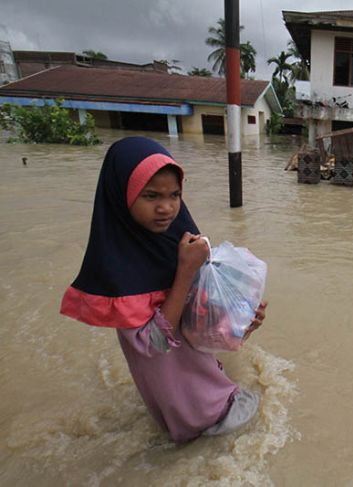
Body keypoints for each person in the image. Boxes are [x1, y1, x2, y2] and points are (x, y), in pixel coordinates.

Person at [60, 136, 267, 443]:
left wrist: (242, 322)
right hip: (197, 417)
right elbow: (154, 345)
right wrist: (185, 272)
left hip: (213, 401)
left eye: (175, 195)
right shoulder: (120, 275)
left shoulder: (179, 247)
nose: (166, 207)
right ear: (121, 196)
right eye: (151, 195)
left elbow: (202, 330)